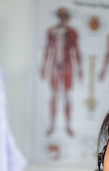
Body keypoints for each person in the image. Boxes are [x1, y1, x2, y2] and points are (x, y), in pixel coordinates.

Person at [40, 7, 83, 137]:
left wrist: (80, 68)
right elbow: (48, 49)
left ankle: (68, 125)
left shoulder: (72, 32)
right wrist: (44, 66)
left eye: (65, 15)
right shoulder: (52, 31)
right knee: (54, 96)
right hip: (55, 66)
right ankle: (52, 125)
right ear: (58, 16)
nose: (63, 18)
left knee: (67, 96)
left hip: (68, 66)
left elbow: (76, 50)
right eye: (61, 15)